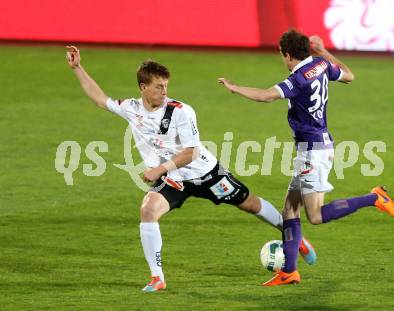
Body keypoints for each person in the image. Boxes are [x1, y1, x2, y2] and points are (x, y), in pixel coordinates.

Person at [65, 45, 317, 293]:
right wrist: (78, 68)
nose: (164, 91)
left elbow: (191, 152)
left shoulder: (181, 112)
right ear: (143, 88)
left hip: (205, 174)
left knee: (250, 203)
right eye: (158, 87)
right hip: (175, 180)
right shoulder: (131, 108)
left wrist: (157, 170)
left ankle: (295, 237)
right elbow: (100, 99)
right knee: (148, 211)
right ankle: (157, 277)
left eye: (166, 86)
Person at [218, 29, 394, 286]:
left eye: (283, 56)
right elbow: (349, 76)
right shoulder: (321, 64)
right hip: (314, 147)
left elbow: (267, 95)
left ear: (288, 55)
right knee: (290, 209)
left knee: (315, 216)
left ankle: (375, 197)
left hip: (313, 152)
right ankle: (289, 271)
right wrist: (323, 50)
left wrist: (235, 88)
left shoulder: (298, 79)